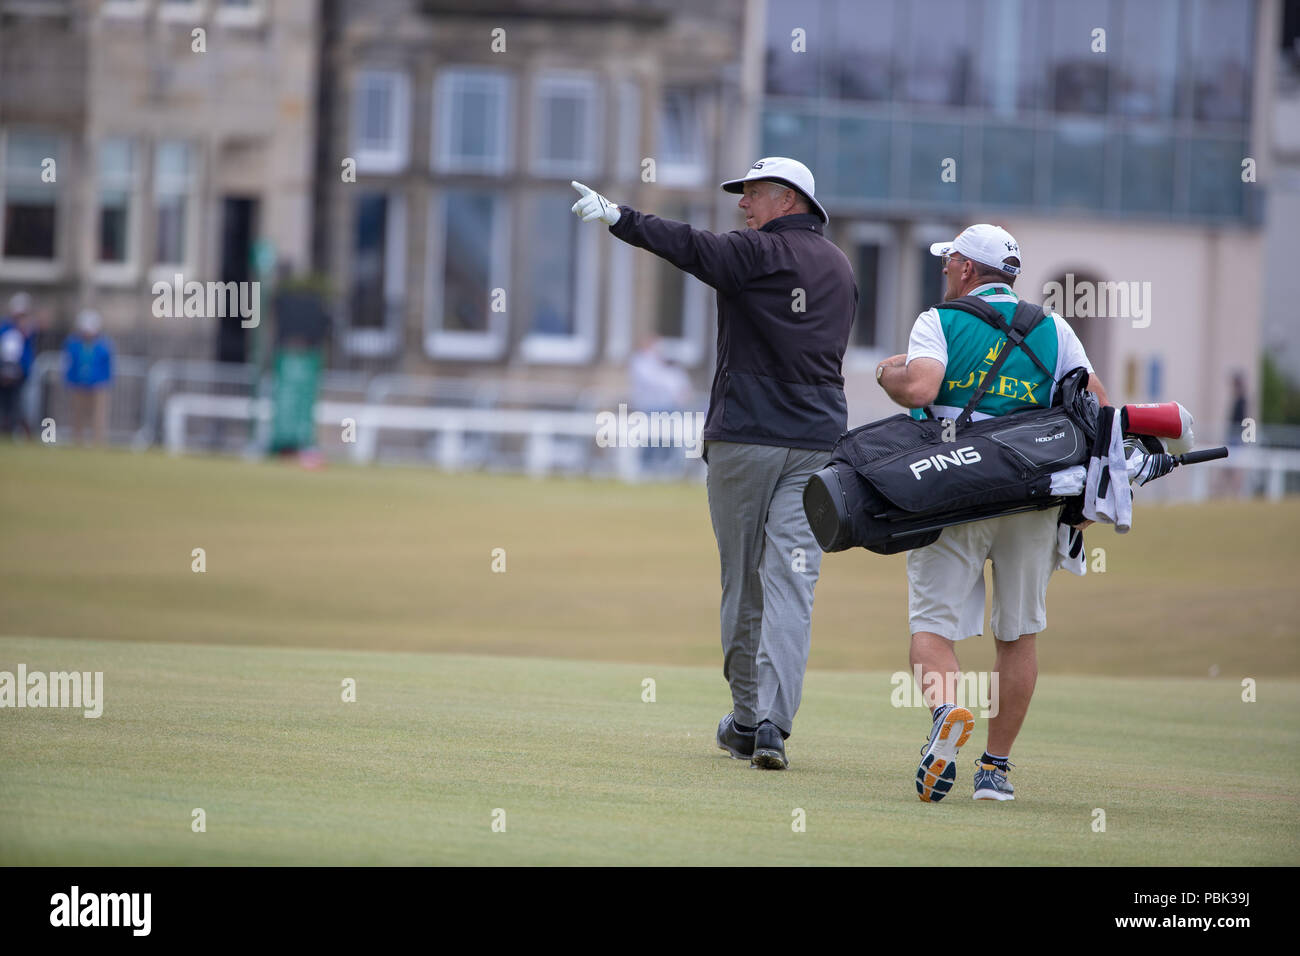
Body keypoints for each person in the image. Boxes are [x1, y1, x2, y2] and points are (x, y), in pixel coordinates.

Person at [572, 158, 857, 769]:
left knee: (744, 579)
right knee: (793, 584)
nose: (741, 205)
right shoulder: (840, 266)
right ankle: (777, 727)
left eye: (751, 194)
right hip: (819, 444)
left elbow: (690, 247)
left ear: (786, 201)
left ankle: (749, 720)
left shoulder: (759, 254)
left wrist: (621, 217)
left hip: (748, 438)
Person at [876, 224, 1110, 802]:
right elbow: (1101, 408)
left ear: (963, 267)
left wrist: (887, 374)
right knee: (1019, 634)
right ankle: (995, 773)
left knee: (932, 627)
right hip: (1033, 494)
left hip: (954, 488)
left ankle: (948, 711)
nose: (943, 271)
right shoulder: (1056, 328)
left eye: (947, 262)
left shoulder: (938, 320)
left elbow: (922, 388)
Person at [64, 309, 114, 445]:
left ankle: (98, 443)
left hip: (98, 385)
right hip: (78, 384)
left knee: (98, 417)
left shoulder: (103, 345)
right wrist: (70, 381)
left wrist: (104, 382)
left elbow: (108, 366)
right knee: (77, 416)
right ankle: (77, 442)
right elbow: (69, 364)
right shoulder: (73, 344)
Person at [0, 292, 37, 438]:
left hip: (19, 374)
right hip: (4, 371)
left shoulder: (27, 331)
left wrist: (23, 371)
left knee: (18, 403)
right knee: (4, 402)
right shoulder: (4, 328)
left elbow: (27, 354)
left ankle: (17, 430)